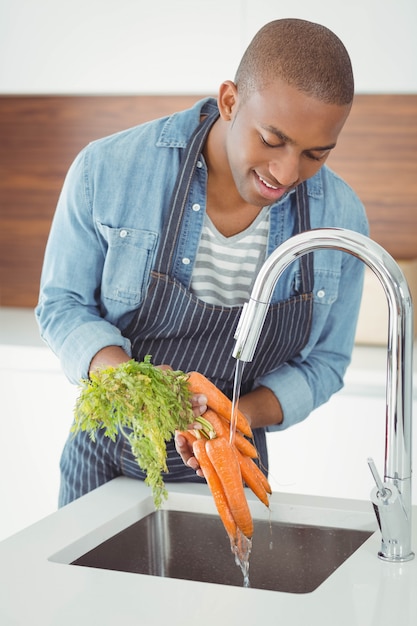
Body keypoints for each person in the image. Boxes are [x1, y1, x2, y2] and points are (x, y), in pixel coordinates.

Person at [36, 18, 368, 506]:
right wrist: (140, 391)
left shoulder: (339, 218)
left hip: (231, 465)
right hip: (102, 468)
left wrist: (234, 417)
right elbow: (62, 304)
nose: (286, 172)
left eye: (315, 154)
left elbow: (325, 362)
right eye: (272, 141)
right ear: (229, 100)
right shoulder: (108, 169)